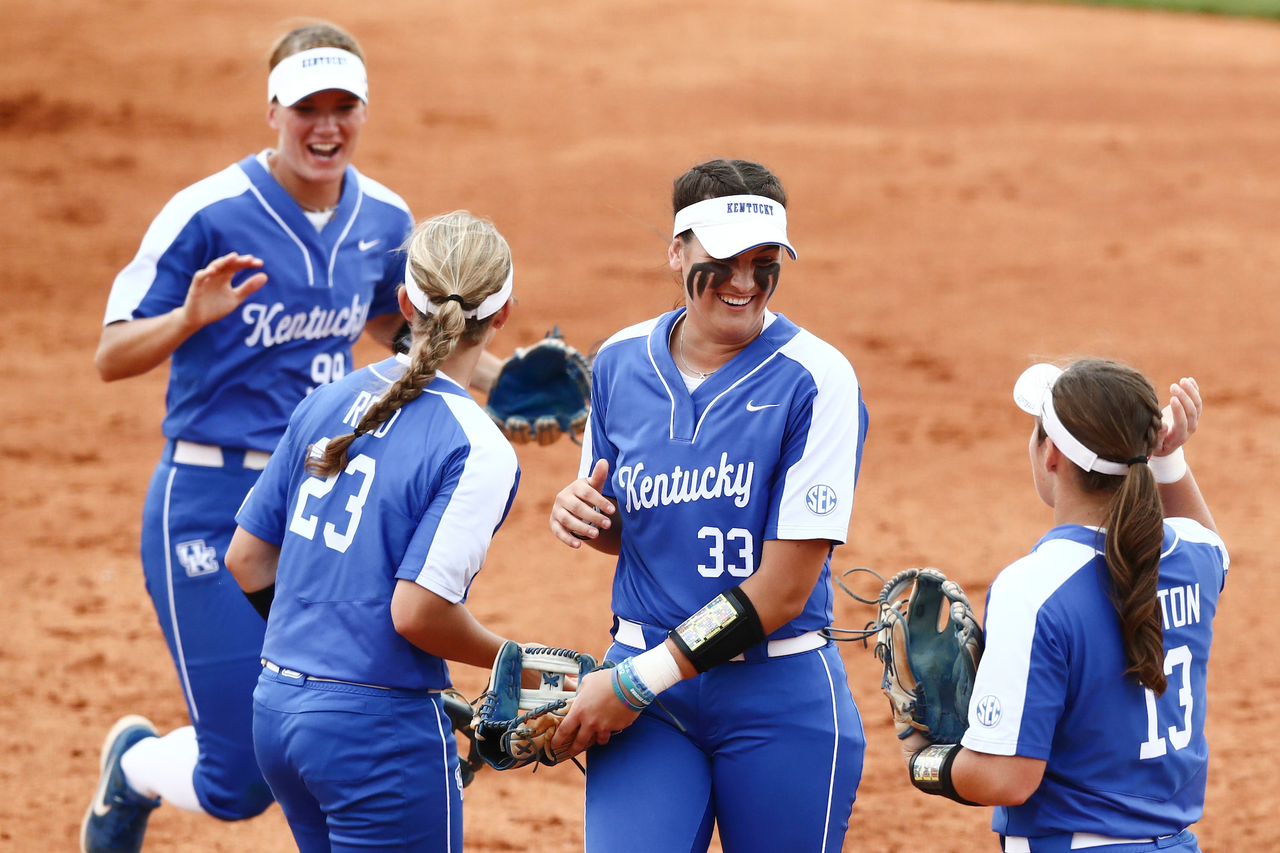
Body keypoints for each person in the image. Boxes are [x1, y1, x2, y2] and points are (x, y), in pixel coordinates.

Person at [82, 22, 500, 853]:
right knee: (239, 777)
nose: (326, 126)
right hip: (209, 499)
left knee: (329, 710)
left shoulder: (385, 217)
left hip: (320, 496)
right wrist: (188, 317)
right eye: (308, 107)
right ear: (273, 109)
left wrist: (504, 380)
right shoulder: (207, 213)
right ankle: (135, 767)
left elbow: (405, 328)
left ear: (364, 111)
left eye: (344, 107)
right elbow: (110, 354)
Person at [547, 159, 869, 852]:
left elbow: (782, 591)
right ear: (677, 253)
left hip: (775, 695)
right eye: (722, 260)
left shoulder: (817, 379)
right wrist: (584, 515)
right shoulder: (619, 361)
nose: (744, 281)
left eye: (763, 261)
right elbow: (629, 526)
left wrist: (633, 683)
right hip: (650, 697)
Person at [222, 210, 521, 853]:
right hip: (377, 737)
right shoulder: (478, 444)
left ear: (405, 302)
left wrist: (326, 660)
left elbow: (247, 559)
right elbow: (418, 614)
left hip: (278, 711)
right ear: (502, 316)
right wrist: (512, 661)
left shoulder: (326, 400)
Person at [898, 360, 1224, 853]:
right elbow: (1204, 539)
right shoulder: (1197, 559)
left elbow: (1007, 778)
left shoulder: (1034, 589)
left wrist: (922, 758)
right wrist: (1169, 461)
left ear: (1050, 453)